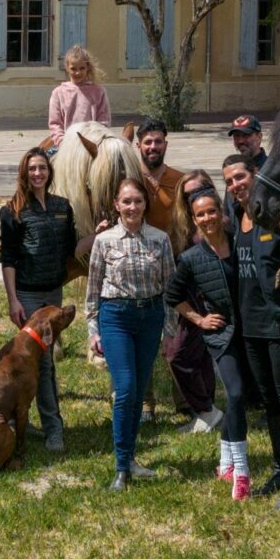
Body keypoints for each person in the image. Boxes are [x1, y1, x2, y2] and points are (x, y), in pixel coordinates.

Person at [226, 151, 280, 509]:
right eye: (229, 180)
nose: (235, 185)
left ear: (256, 175)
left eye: (240, 177)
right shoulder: (238, 217)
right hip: (252, 328)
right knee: (270, 404)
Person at [85, 177, 177, 491]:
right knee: (124, 389)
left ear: (144, 204)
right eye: (126, 201)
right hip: (116, 318)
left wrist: (169, 329)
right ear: (116, 205)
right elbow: (92, 289)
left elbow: (169, 287)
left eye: (138, 201)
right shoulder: (104, 240)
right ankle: (121, 467)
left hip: (149, 317)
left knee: (138, 391)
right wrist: (93, 329)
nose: (133, 207)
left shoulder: (160, 239)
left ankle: (133, 458)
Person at [167, 174, 251, 501]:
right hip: (221, 336)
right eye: (200, 214)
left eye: (211, 211)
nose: (207, 218)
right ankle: (241, 471)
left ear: (221, 211)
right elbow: (173, 295)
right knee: (236, 394)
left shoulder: (239, 241)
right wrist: (200, 319)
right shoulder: (190, 258)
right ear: (193, 219)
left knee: (240, 398)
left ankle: (225, 460)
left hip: (251, 331)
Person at [138, 120, 219, 433]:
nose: (153, 147)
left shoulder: (179, 180)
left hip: (178, 267)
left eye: (158, 142)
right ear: (139, 145)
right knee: (145, 339)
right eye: (148, 142)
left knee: (178, 341)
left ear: (165, 145)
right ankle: (146, 404)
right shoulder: (132, 180)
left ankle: (187, 403)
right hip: (144, 269)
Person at [0, 147, 78, 453]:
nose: (37, 173)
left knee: (37, 362)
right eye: (32, 168)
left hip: (53, 293)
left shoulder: (62, 207)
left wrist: (99, 234)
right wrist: (12, 299)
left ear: (49, 172)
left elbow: (72, 249)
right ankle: (53, 429)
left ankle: (24, 417)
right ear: (24, 172)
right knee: (41, 362)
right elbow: (8, 258)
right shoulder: (13, 210)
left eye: (42, 168)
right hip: (28, 296)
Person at [47, 45, 111, 146]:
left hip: (92, 144)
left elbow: (103, 121)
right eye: (73, 69)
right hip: (66, 145)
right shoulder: (58, 93)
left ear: (88, 68)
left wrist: (93, 141)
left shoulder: (98, 91)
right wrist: (62, 142)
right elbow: (55, 124)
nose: (78, 72)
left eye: (82, 68)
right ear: (67, 68)